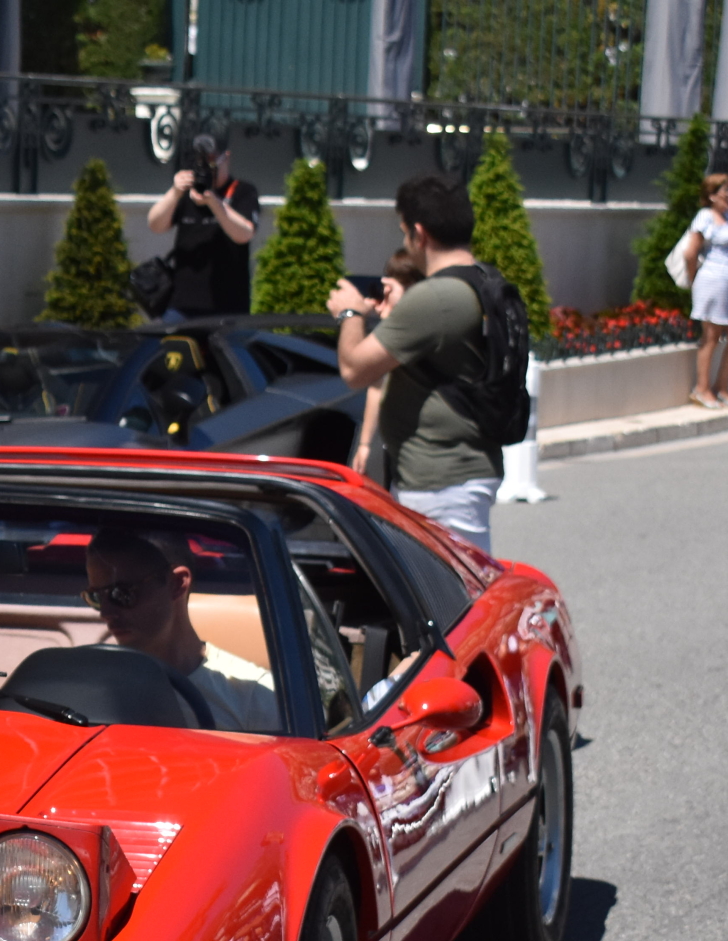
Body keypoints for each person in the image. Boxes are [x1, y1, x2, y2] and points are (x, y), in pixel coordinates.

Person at [322, 174, 504, 554]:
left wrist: (351, 313)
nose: (406, 242)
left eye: (405, 233)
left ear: (419, 234)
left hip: (439, 483)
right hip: (456, 475)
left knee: (454, 603)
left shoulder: (436, 297)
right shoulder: (483, 280)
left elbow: (356, 370)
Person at [81, 529, 280, 732]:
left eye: (121, 593)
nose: (106, 612)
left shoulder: (255, 698)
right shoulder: (84, 687)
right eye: (96, 597)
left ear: (177, 584)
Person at [145, 138, 260, 321]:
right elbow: (155, 225)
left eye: (212, 162)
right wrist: (174, 193)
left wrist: (213, 201)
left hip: (229, 308)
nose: (207, 170)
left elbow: (244, 234)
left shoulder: (243, 191)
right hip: (182, 306)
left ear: (226, 158)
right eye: (200, 163)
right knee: (168, 346)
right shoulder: (185, 194)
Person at [353, 247, 426, 482]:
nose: (381, 301)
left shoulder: (420, 331)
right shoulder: (394, 332)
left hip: (422, 453)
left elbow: (356, 371)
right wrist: (364, 444)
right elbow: (377, 386)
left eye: (389, 291)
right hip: (397, 449)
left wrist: (350, 316)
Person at [682, 173, 728, 408]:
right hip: (712, 280)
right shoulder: (705, 217)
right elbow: (690, 252)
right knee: (711, 336)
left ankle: (721, 386)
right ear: (712, 196)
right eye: (726, 191)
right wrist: (694, 281)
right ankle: (702, 389)